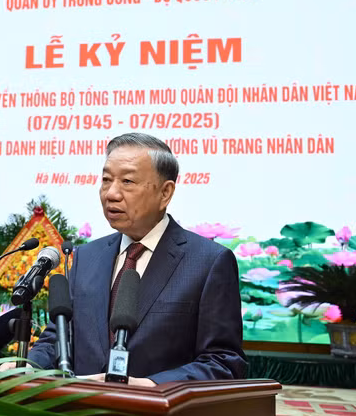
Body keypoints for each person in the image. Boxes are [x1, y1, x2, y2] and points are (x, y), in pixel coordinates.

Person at [23, 132, 246, 386]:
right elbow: (58, 339)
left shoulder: (207, 263)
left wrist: (150, 385)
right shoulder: (86, 257)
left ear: (165, 193)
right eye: (106, 180)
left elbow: (223, 362)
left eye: (127, 181)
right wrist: (28, 367)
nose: (111, 193)